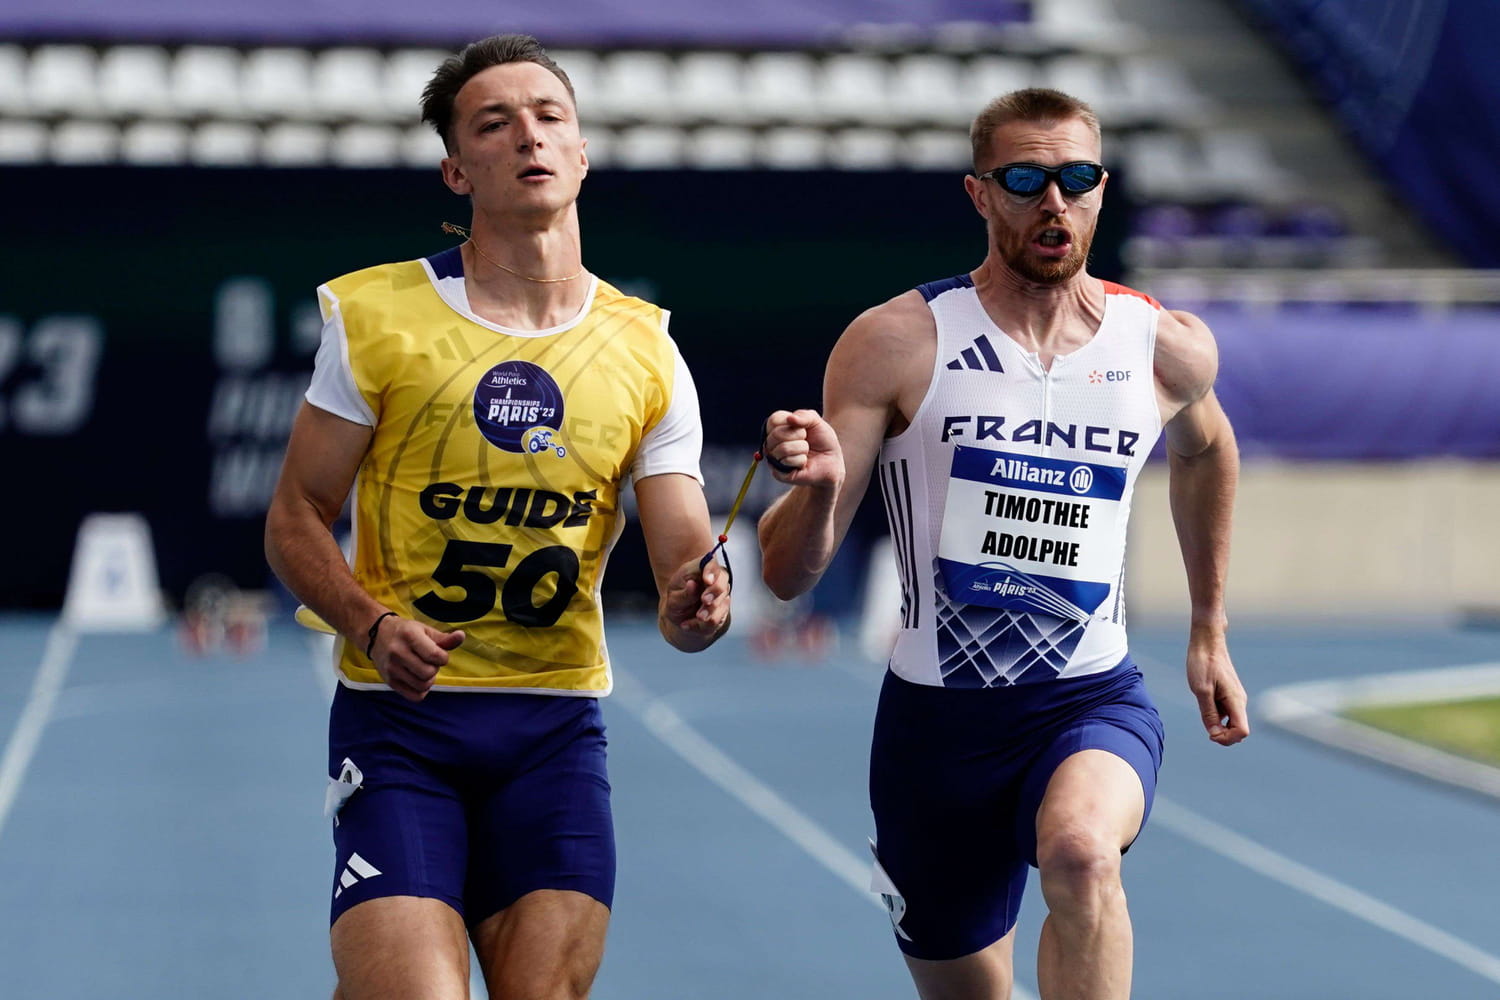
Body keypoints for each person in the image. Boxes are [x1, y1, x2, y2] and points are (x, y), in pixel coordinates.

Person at [264, 34, 730, 1000]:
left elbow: (689, 586)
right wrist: (373, 623)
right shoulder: (378, 314)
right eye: (495, 122)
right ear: (456, 168)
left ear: (583, 152)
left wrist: (704, 598)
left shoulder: (647, 350)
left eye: (550, 116)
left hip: (554, 735)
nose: (529, 135)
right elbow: (296, 516)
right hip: (402, 727)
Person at [757, 88, 1247, 1000]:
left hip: (1089, 697)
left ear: (1101, 191)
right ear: (980, 194)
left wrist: (1209, 627)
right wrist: (818, 491)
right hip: (936, 732)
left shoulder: (1163, 347)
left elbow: (1209, 450)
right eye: (1025, 179)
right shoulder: (898, 341)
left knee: (1080, 854)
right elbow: (788, 575)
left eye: (1076, 179)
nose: (1053, 201)